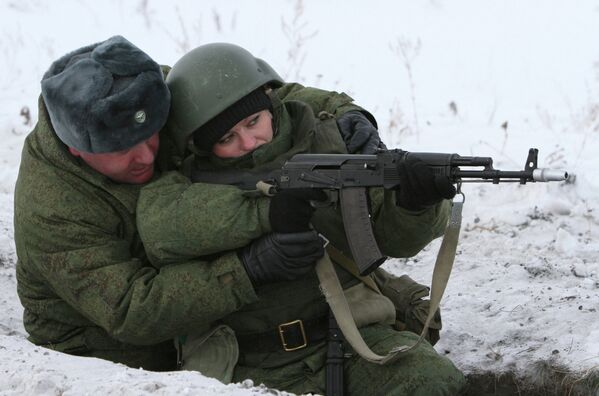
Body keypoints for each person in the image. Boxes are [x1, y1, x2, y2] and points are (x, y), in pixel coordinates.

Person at [13, 36, 387, 374]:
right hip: (103, 355)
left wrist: (343, 113)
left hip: (199, 317)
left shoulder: (138, 93)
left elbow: (248, 97)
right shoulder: (51, 206)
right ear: (77, 149)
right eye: (123, 150)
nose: (146, 156)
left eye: (152, 135)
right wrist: (248, 269)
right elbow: (130, 310)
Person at [137, 43, 466, 395]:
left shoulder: (324, 145)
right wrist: (267, 213)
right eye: (227, 138)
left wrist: (416, 203)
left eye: (254, 121)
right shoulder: (184, 184)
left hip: (353, 336)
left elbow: (396, 241)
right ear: (200, 146)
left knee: (433, 382)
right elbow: (162, 228)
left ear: (270, 106)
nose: (249, 142)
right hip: (247, 361)